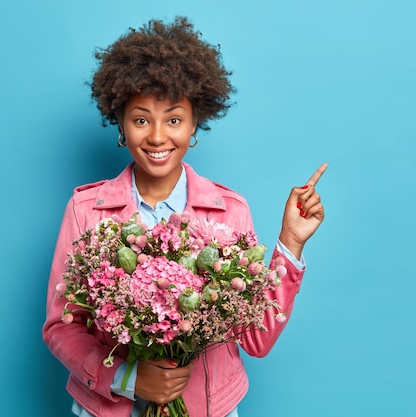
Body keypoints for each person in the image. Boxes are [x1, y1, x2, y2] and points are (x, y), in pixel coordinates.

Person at [42, 16, 327, 417]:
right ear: (121, 125)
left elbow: (256, 338)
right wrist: (128, 378)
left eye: (174, 119)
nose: (157, 136)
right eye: (141, 119)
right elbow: (62, 326)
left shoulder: (230, 210)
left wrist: (291, 242)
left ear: (195, 124)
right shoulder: (85, 210)